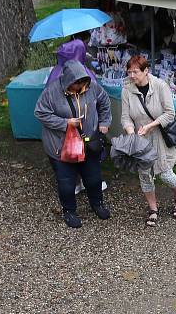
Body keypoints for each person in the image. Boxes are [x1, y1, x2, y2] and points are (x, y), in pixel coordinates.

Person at [34, 60, 112, 228]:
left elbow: (104, 101)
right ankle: (69, 211)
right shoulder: (51, 92)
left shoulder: (92, 87)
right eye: (77, 84)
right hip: (61, 147)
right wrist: (65, 123)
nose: (81, 87)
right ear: (69, 80)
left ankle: (97, 204)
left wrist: (104, 123)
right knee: (66, 182)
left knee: (93, 177)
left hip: (88, 143)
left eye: (83, 82)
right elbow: (40, 113)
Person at [121, 55, 176, 227]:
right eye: (129, 72)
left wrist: (150, 126)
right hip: (140, 140)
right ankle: (153, 208)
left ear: (146, 71)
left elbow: (170, 113)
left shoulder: (160, 86)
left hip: (158, 136)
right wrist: (130, 132)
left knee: (165, 174)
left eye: (135, 71)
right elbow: (126, 117)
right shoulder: (127, 90)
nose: (132, 75)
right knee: (144, 176)